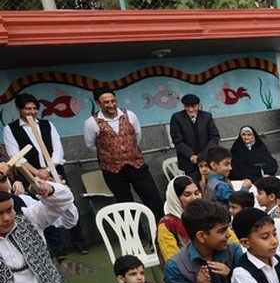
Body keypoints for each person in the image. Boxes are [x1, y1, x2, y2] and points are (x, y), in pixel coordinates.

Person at [5, 93, 86, 258]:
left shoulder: (47, 125)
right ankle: (58, 249)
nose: (32, 112)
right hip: (31, 175)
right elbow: (17, 156)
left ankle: (80, 243)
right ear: (19, 109)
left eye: (34, 108)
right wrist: (36, 173)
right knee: (42, 207)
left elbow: (57, 149)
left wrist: (48, 170)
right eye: (28, 109)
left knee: (67, 201)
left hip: (53, 171)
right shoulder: (11, 129)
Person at [83, 88, 163, 219]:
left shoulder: (130, 115)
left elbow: (137, 136)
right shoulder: (91, 123)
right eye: (106, 102)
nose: (111, 105)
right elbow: (91, 145)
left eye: (113, 101)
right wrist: (110, 154)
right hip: (112, 171)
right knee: (125, 206)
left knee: (153, 198)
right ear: (99, 103)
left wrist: (128, 150)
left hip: (136, 165)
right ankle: (136, 237)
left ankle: (164, 232)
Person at [169, 93, 221, 177]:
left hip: (208, 160)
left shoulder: (206, 116)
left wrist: (205, 154)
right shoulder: (177, 118)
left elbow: (214, 137)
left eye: (193, 106)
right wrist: (191, 155)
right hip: (189, 162)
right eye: (187, 107)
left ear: (198, 105)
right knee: (195, 186)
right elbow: (177, 140)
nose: (190, 110)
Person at [158, 176, 202, 264]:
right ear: (175, 199)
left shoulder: (210, 214)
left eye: (197, 193)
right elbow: (173, 261)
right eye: (187, 195)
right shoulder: (167, 225)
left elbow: (230, 240)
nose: (194, 198)